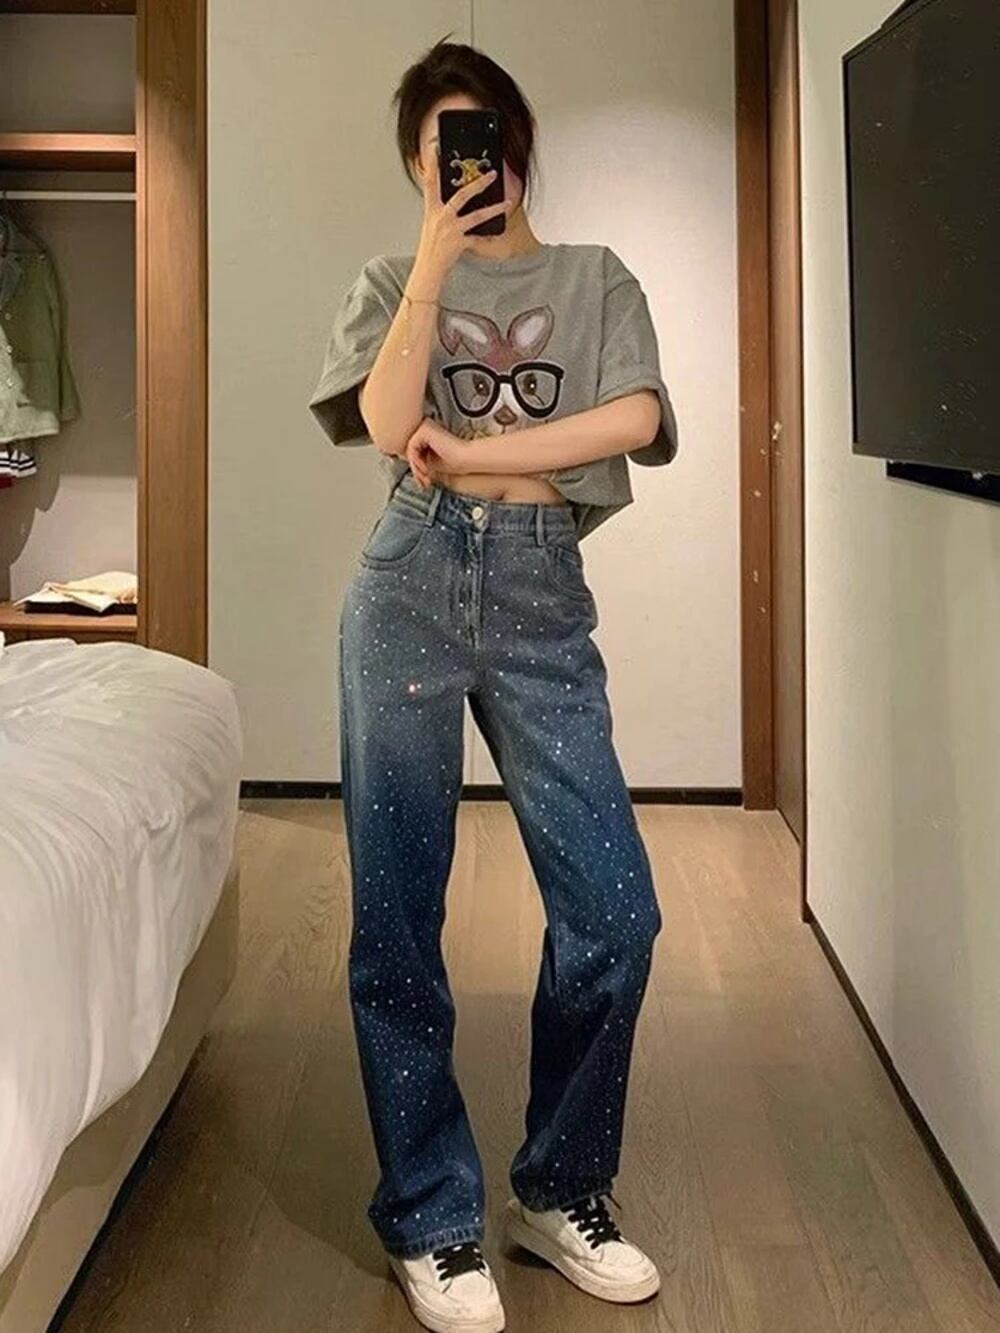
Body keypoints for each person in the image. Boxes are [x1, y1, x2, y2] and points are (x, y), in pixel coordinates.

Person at [309, 37, 679, 1333]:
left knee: (616, 914)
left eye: (488, 138)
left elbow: (636, 417)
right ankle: (431, 1214)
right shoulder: (390, 281)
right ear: (420, 169)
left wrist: (471, 451)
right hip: (407, 580)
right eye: (442, 152)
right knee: (397, 915)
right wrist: (431, 258)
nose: (473, 166)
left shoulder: (595, 276)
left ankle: (560, 1187)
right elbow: (379, 418)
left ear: (521, 142)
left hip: (537, 583)